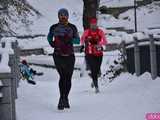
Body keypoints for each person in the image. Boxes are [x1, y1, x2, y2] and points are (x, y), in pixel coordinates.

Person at [47, 8, 80, 110]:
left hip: (70, 56)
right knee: (62, 76)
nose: (63, 17)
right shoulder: (54, 27)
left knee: (68, 77)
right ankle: (62, 99)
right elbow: (49, 37)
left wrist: (70, 40)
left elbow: (78, 41)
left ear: (68, 16)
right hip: (58, 55)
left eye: (65, 15)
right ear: (58, 16)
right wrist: (52, 43)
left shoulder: (72, 27)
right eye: (61, 15)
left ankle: (66, 98)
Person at [80, 18, 107, 93]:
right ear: (90, 25)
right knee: (93, 69)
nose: (93, 26)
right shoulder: (87, 32)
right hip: (89, 54)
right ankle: (96, 87)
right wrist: (82, 46)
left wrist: (98, 44)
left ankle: (94, 79)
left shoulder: (100, 32)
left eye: (95, 24)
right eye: (92, 24)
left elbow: (105, 41)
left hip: (99, 54)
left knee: (97, 69)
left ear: (96, 24)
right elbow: (82, 39)